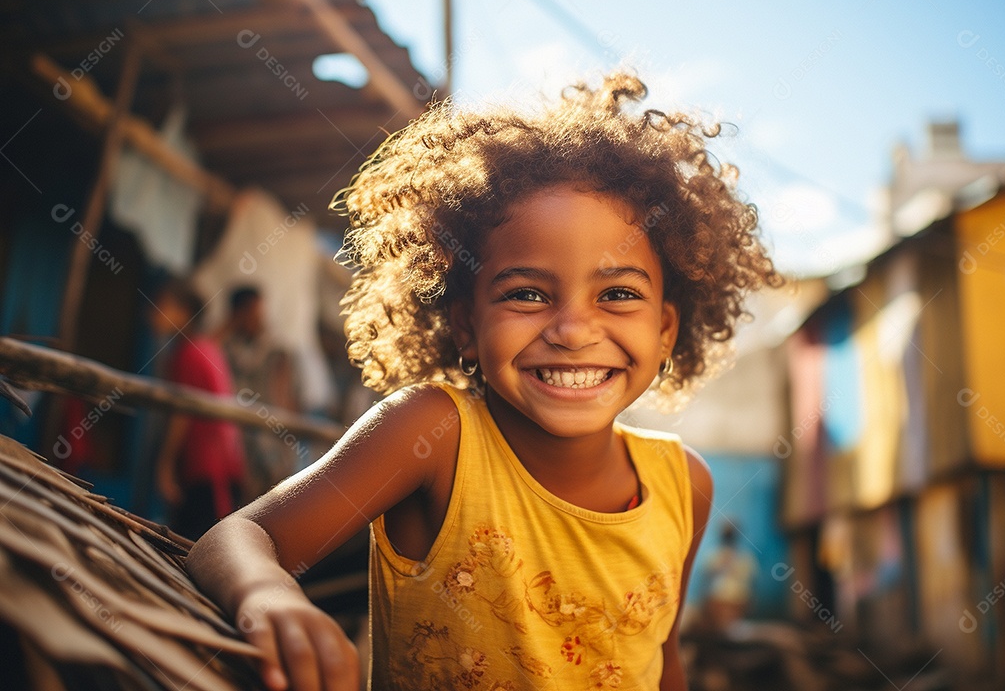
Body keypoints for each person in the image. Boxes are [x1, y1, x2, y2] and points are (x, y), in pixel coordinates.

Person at [187, 72, 779, 691]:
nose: (573, 330)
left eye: (618, 294)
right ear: (467, 324)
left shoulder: (686, 486)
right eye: (526, 293)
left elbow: (664, 662)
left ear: (664, 329)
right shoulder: (434, 437)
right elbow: (236, 535)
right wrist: (268, 593)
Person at [150, 278, 245, 540]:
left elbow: (181, 414)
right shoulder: (207, 348)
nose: (153, 313)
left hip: (206, 472)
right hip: (221, 469)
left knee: (194, 548)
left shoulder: (188, 354)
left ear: (184, 312)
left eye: (162, 306)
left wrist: (165, 466)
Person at [219, 285, 299, 500]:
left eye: (259, 311)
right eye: (251, 312)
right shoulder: (224, 347)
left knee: (271, 499)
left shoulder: (277, 350)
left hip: (270, 437)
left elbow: (285, 398)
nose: (258, 318)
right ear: (237, 314)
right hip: (236, 438)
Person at [705, 522, 758, 633]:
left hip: (738, 599)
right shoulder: (715, 556)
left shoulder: (745, 557)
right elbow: (707, 577)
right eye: (727, 534)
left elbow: (751, 580)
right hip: (718, 598)